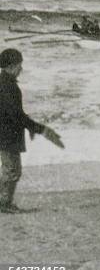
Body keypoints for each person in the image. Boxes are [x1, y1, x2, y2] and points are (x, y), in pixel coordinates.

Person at [0, 49, 64, 213]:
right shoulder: (8, 86)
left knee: (10, 169)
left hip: (6, 132)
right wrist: (38, 128)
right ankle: (4, 204)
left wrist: (31, 127)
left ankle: (4, 202)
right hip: (7, 134)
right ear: (11, 66)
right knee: (12, 170)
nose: (21, 68)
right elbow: (15, 114)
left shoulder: (5, 82)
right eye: (19, 65)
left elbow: (13, 113)